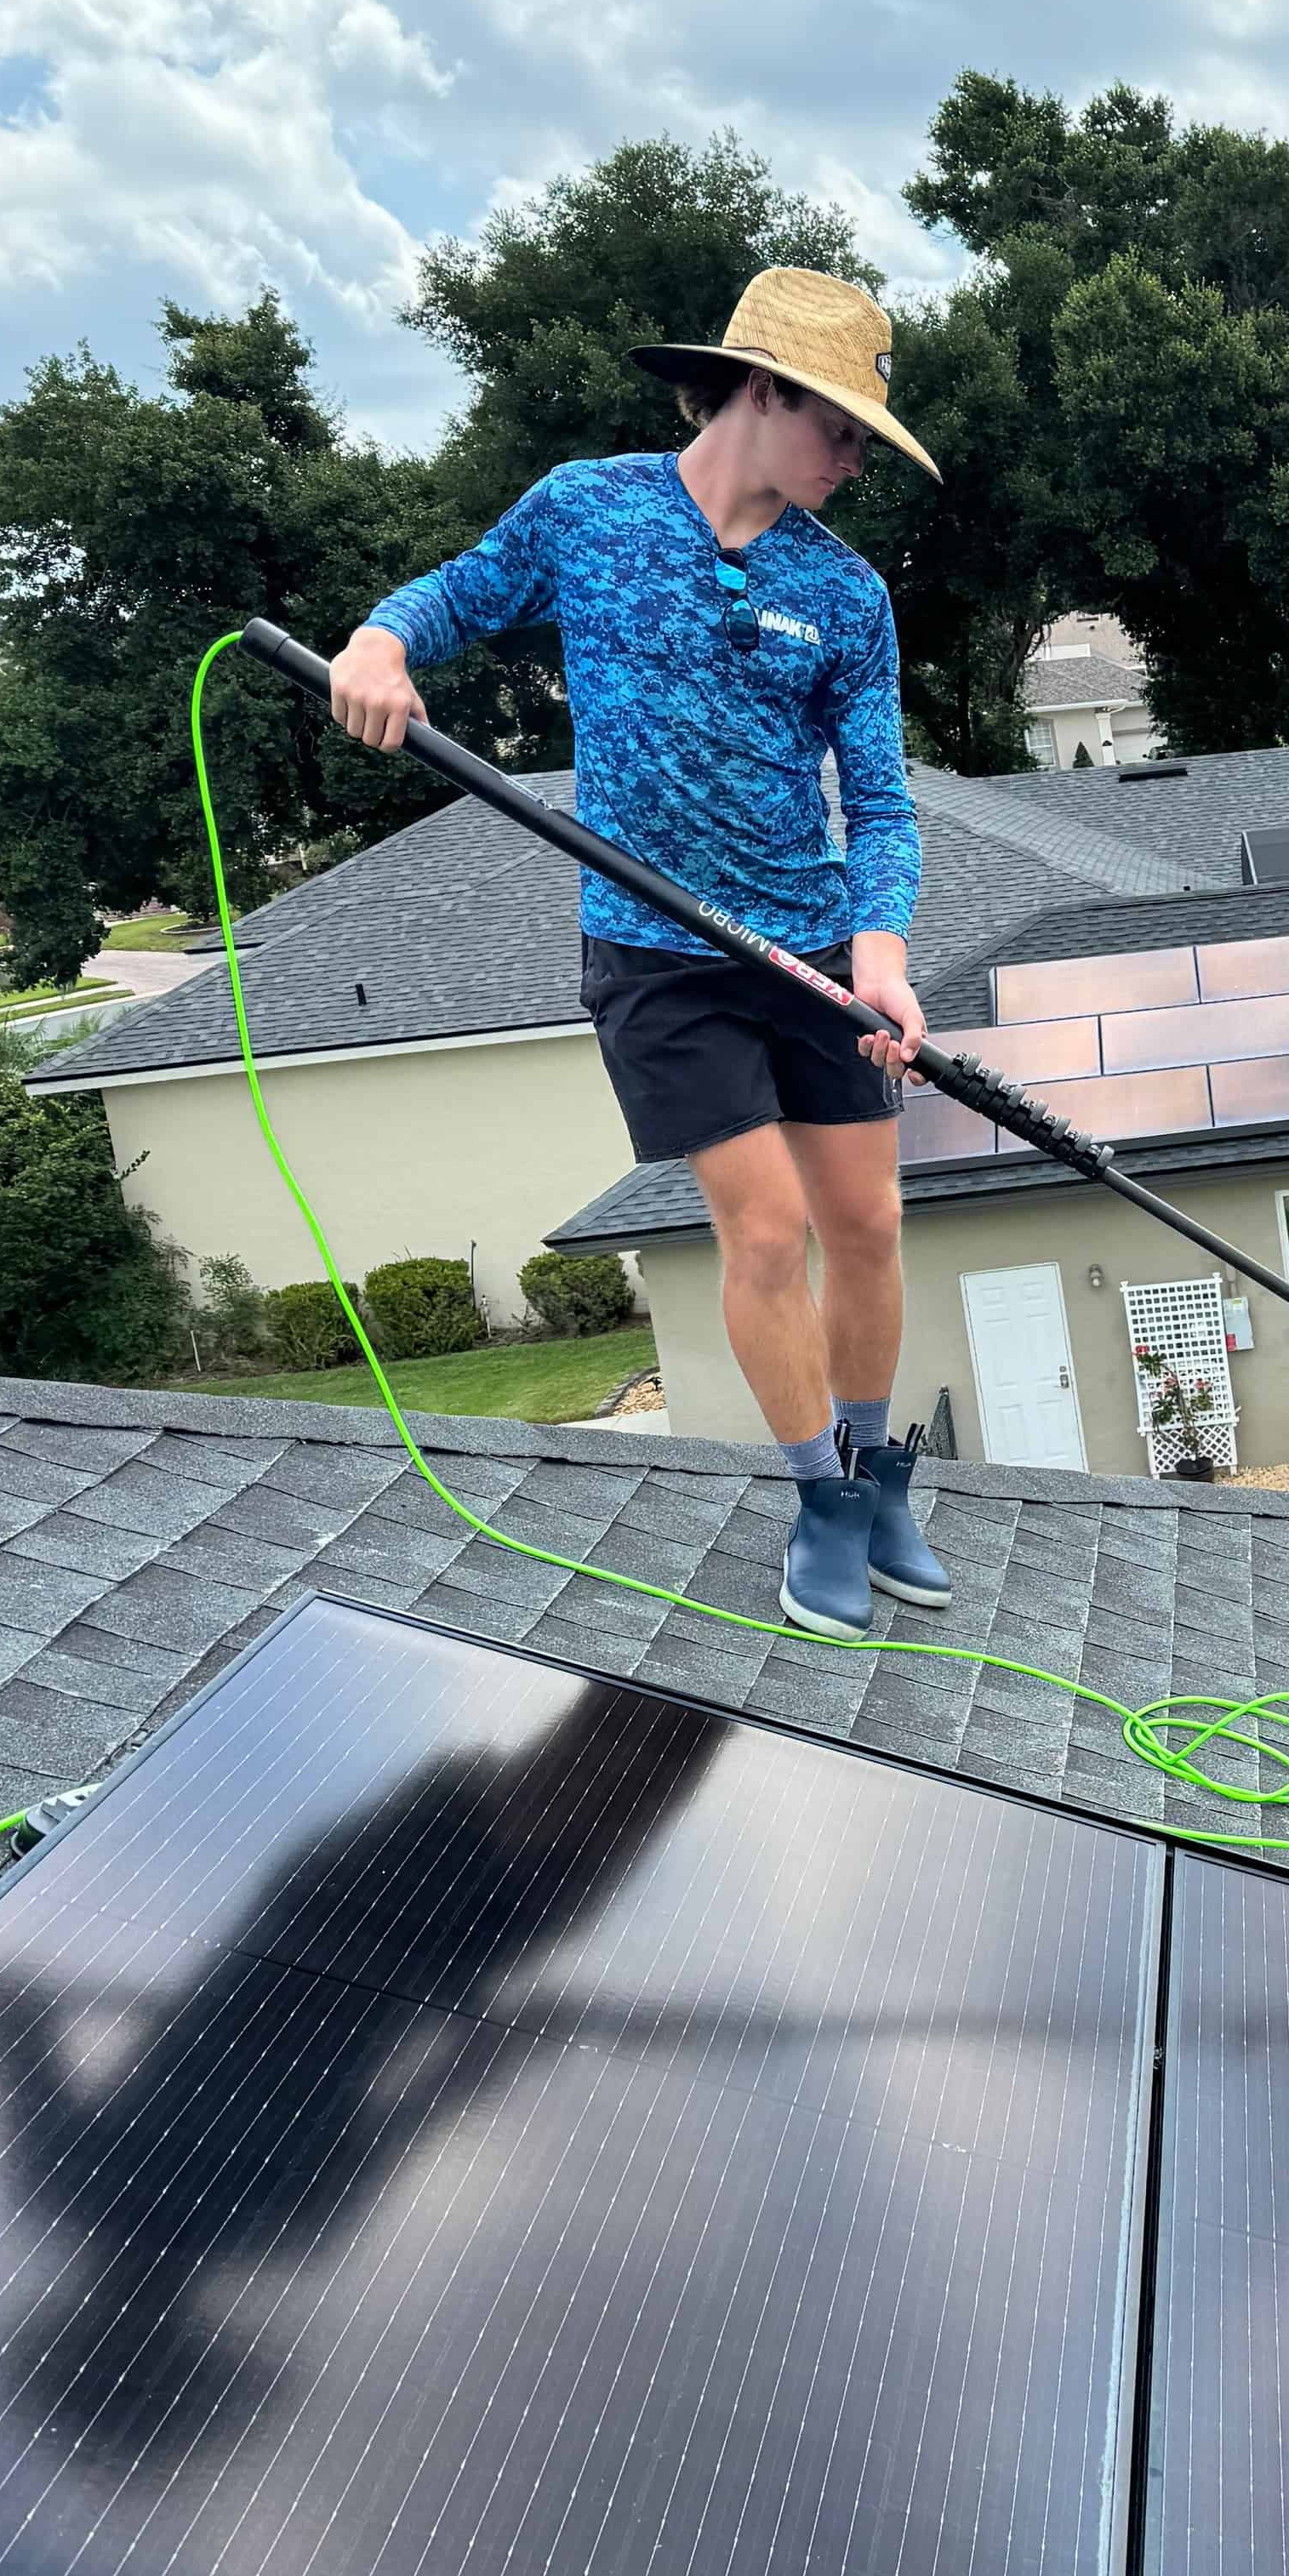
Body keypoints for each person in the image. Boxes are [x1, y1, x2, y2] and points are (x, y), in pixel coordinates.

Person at [328, 267, 950, 1643]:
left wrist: (883, 952)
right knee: (769, 1228)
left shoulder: (844, 594)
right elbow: (454, 595)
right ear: (761, 391)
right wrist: (379, 640)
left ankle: (869, 1462)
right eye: (841, 426)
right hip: (657, 959)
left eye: (865, 437)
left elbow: (884, 802)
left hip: (810, 958)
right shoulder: (588, 511)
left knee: (869, 1225)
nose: (855, 458)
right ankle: (821, 1505)